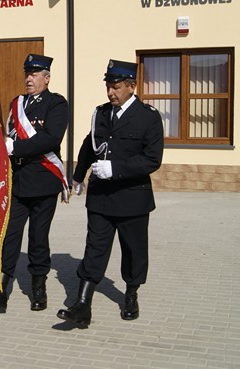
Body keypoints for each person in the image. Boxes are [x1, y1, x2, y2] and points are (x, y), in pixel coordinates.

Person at [57, 59, 163, 327]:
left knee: (133, 250)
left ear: (131, 86)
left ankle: (131, 294)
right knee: (95, 248)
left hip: (132, 197)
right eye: (108, 87)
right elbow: (88, 145)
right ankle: (82, 304)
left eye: (116, 87)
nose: (110, 93)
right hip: (101, 197)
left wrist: (115, 168)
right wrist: (78, 176)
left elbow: (152, 159)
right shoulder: (102, 113)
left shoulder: (148, 116)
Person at [0, 53, 69, 313]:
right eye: (27, 74)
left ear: (47, 78)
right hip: (18, 180)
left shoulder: (56, 104)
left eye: (34, 74)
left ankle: (38, 289)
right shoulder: (17, 103)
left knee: (38, 237)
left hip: (44, 178)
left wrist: (17, 147)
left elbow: (50, 139)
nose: (29, 79)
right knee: (8, 236)